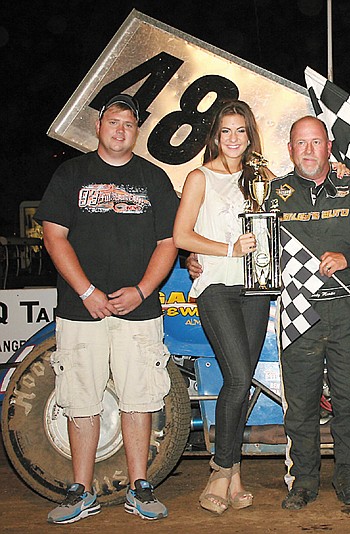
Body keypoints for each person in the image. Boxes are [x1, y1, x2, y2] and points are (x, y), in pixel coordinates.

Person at [187, 116, 350, 509]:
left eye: (315, 142)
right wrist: (193, 257)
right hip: (297, 310)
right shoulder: (273, 193)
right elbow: (243, 236)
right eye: (300, 143)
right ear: (289, 150)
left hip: (346, 309)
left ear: (328, 146)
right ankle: (302, 482)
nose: (308, 150)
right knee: (299, 404)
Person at [35, 94, 179, 523]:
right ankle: (81, 491)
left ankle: (139, 486)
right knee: (81, 399)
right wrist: (86, 291)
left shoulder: (154, 179)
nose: (120, 130)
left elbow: (168, 242)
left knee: (140, 398)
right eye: (113, 122)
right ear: (99, 126)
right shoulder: (71, 173)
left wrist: (142, 289)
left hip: (140, 310)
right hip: (81, 311)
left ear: (137, 131)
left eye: (129, 124)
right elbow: (53, 235)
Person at [172, 100, 271, 515]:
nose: (233, 139)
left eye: (241, 131)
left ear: (250, 135)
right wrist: (229, 249)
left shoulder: (262, 177)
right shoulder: (199, 177)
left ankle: (231, 473)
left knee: (242, 380)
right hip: (215, 286)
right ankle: (221, 468)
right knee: (238, 375)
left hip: (258, 288)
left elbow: (282, 220)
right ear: (215, 135)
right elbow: (181, 236)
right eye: (226, 131)